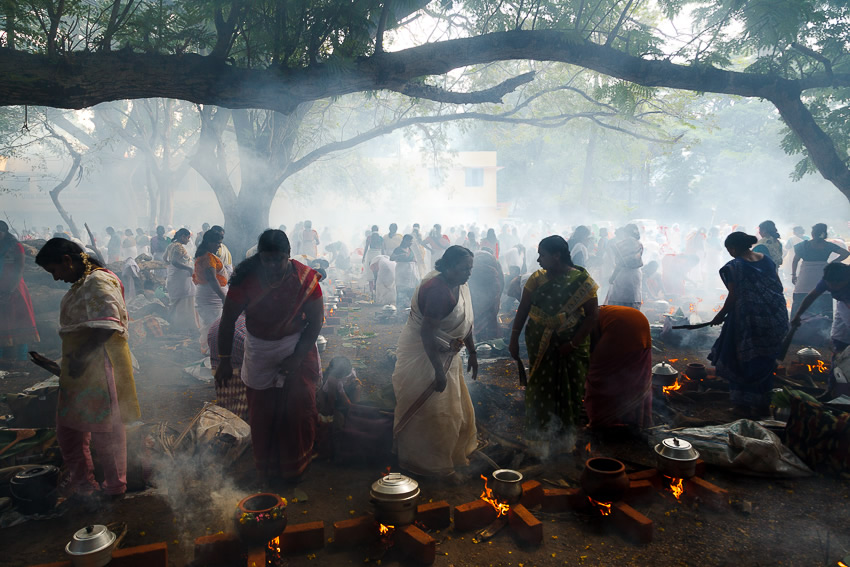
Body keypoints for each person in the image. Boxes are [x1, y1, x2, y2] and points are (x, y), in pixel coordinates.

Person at [34, 238, 140, 501]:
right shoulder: (86, 281)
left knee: (106, 431)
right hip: (79, 365)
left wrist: (80, 358)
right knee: (69, 430)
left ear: (67, 261)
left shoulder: (98, 280)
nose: (56, 278)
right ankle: (85, 486)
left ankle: (115, 488)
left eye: (54, 270)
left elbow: (107, 324)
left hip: (98, 364)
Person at [215, 230, 323, 481]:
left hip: (295, 345)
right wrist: (223, 360)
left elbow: (316, 322)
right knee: (263, 411)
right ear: (260, 258)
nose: (273, 266)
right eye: (267, 260)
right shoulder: (246, 281)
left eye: (279, 260)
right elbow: (227, 321)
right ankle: (268, 468)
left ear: (288, 256)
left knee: (298, 408)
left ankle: (297, 466)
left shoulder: (304, 279)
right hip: (260, 349)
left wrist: (296, 358)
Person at [391, 246, 478, 478]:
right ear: (448, 267)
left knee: (451, 411)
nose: (469, 273)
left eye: (470, 268)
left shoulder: (459, 284)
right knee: (433, 413)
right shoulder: (438, 292)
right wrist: (438, 371)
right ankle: (426, 464)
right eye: (464, 268)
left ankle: (447, 456)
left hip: (447, 355)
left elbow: (466, 321)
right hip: (426, 357)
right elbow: (427, 334)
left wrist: (473, 352)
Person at [509, 236, 599, 449]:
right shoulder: (536, 279)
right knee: (540, 387)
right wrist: (513, 338)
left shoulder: (582, 282)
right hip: (540, 343)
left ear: (556, 256)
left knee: (570, 390)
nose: (538, 260)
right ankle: (539, 441)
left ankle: (564, 441)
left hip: (571, 347)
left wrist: (574, 344)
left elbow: (592, 316)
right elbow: (523, 310)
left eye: (542, 255)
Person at [708, 232, 789, 418]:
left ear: (733, 248)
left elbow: (734, 295)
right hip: (773, 317)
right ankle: (762, 406)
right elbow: (778, 286)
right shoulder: (766, 260)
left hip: (746, 321)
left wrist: (720, 315)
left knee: (739, 359)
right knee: (765, 360)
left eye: (729, 249)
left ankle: (742, 406)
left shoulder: (734, 266)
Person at [585, 306, 653, 429]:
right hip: (641, 322)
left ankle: (599, 419)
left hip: (620, 327)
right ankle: (635, 419)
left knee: (598, 374)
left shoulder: (585, 317)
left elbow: (591, 345)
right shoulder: (600, 309)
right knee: (636, 376)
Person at [791, 262, 850, 395]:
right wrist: (798, 315)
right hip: (843, 305)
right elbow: (811, 296)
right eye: (830, 286)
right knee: (838, 341)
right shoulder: (827, 281)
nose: (832, 289)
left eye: (835, 286)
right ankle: (832, 389)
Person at [0, 222, 40, 361]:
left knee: (20, 321)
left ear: (4, 233)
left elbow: (19, 270)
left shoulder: (16, 247)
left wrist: (10, 290)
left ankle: (22, 358)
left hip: (14, 288)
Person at [790, 223, 849, 317]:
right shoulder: (828, 245)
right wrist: (832, 262)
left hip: (805, 276)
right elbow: (845, 253)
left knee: (801, 298)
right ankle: (824, 325)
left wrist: (793, 275)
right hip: (822, 273)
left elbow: (795, 260)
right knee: (823, 300)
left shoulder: (803, 245)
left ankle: (798, 324)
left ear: (813, 233)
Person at [193, 230, 228, 354]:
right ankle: (210, 352)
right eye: (217, 243)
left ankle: (212, 350)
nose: (219, 245)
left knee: (213, 325)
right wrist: (223, 298)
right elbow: (212, 279)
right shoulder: (208, 258)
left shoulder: (206, 255)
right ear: (209, 242)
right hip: (210, 298)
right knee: (213, 326)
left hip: (209, 297)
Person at [164, 228, 197, 334]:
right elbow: (174, 261)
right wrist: (188, 268)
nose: (188, 240)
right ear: (182, 236)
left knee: (176, 301)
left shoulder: (171, 245)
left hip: (174, 276)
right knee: (184, 301)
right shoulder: (178, 247)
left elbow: (165, 259)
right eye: (187, 238)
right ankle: (183, 326)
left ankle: (174, 324)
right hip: (180, 279)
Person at [468, 247, 504, 341]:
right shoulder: (495, 260)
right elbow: (501, 279)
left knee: (476, 312)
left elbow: (468, 276)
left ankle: (478, 336)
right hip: (492, 286)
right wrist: (498, 296)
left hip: (477, 286)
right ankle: (490, 338)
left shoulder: (473, 257)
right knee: (490, 313)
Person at [606, 225, 643, 309]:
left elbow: (620, 263)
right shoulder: (639, 244)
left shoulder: (622, 244)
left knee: (619, 304)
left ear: (625, 232)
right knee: (633, 301)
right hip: (636, 274)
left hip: (623, 275)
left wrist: (612, 277)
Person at [391, 235, 418, 308]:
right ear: (405, 241)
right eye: (410, 241)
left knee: (410, 291)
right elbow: (391, 258)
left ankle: (408, 310)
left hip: (411, 272)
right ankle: (400, 310)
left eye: (412, 241)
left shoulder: (410, 249)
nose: (411, 243)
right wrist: (399, 256)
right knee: (401, 291)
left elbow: (415, 259)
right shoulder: (398, 249)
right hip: (401, 272)